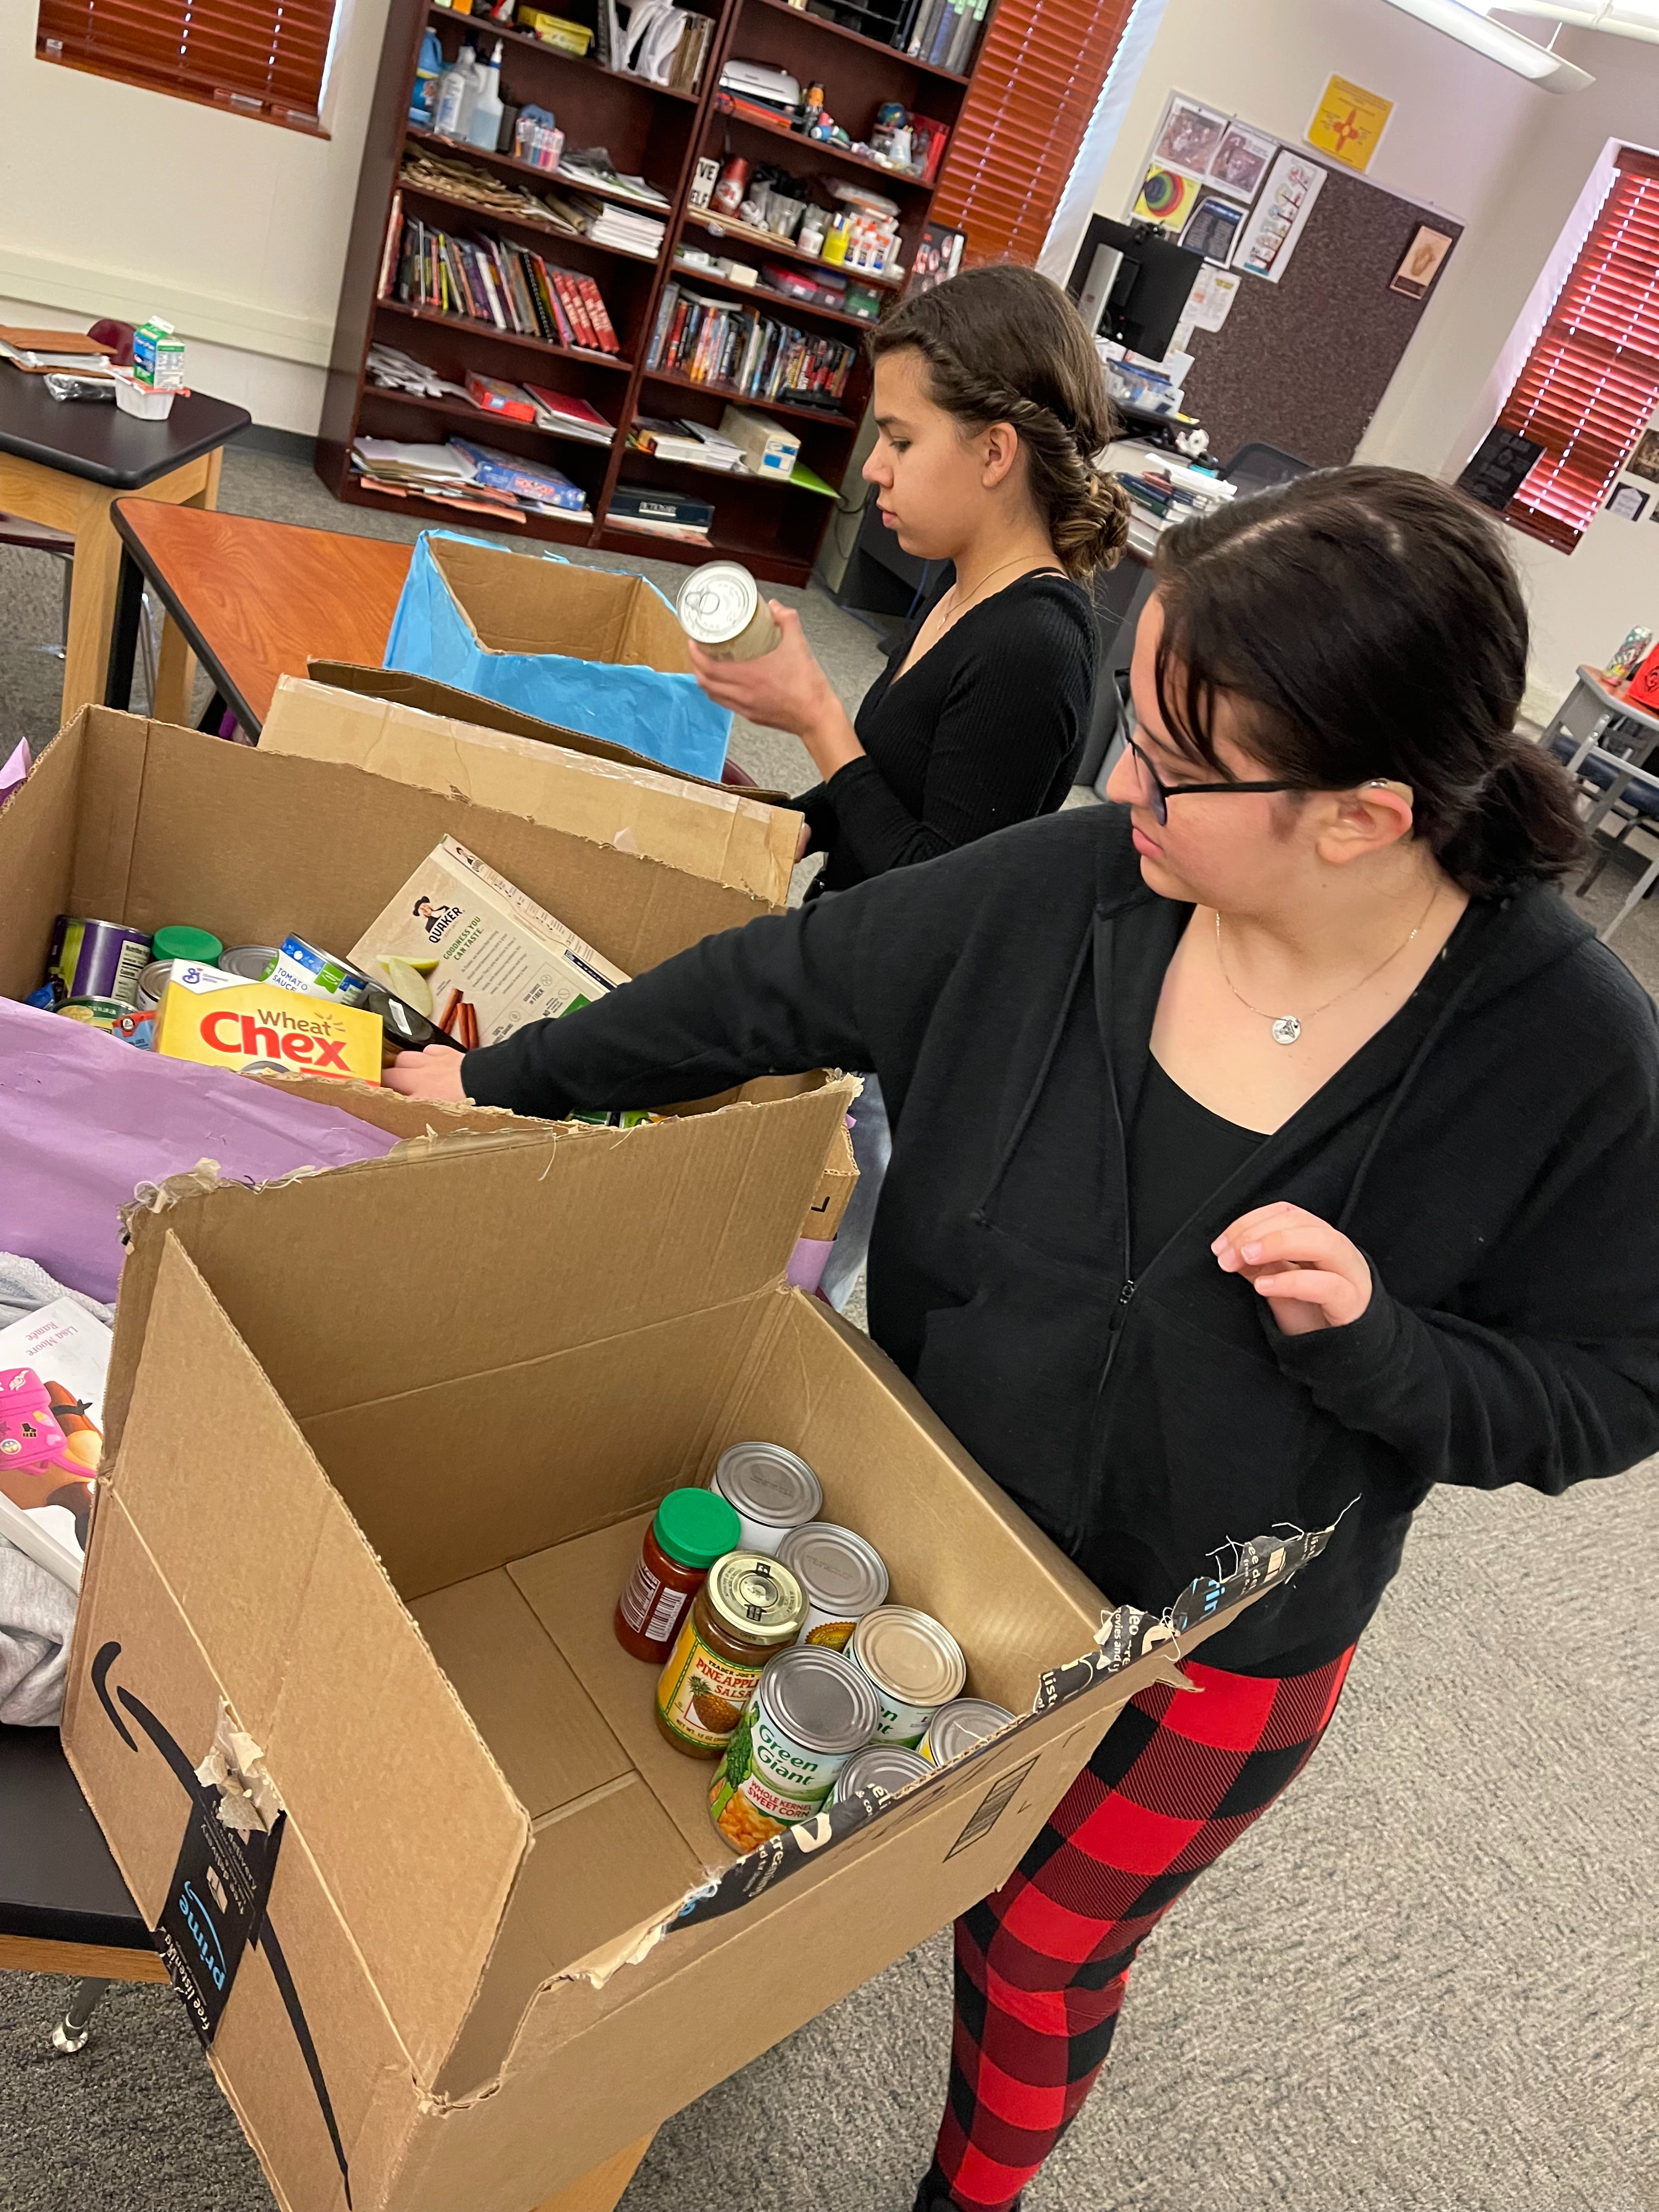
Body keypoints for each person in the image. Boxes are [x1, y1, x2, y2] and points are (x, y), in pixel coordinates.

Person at [386, 467, 1659, 2209]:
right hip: (927, 1530)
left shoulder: (1572, 1057)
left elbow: (1614, 1393)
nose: (1117, 783)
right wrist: (493, 1078)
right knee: (798, 1807)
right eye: (1127, 720)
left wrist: (1388, 1355)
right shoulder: (1075, 883)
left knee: (1042, 1953)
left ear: (1361, 815)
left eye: (1174, 766)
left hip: (1213, 1645)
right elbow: (774, 984)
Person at [686, 264, 1125, 1308]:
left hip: (891, 1047)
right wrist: (757, 823)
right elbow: (883, 795)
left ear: (993, 451)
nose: (873, 470)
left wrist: (818, 719)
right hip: (844, 975)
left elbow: (941, 896)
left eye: (899, 438)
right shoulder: (957, 585)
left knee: (783, 1291)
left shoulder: (1033, 646)